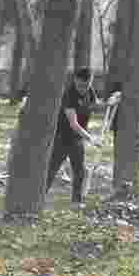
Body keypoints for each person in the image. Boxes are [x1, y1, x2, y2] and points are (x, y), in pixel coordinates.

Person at [47, 68, 101, 202]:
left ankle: (76, 202)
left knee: (79, 172)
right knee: (51, 170)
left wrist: (110, 103)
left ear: (90, 81)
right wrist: (90, 138)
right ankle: (38, 197)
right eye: (80, 85)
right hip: (62, 138)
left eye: (86, 85)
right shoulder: (69, 95)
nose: (83, 89)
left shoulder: (90, 90)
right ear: (75, 80)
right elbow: (74, 124)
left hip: (77, 139)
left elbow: (96, 106)